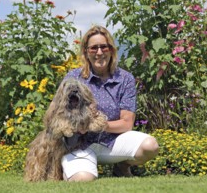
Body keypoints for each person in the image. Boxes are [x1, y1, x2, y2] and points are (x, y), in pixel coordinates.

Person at [61, 25, 159, 182]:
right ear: (86, 52)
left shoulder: (125, 78)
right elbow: (62, 115)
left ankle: (121, 167)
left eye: (104, 47)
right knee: (83, 180)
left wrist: (98, 123)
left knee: (150, 146)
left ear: (111, 50)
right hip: (80, 143)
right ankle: (69, 169)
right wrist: (82, 121)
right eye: (93, 48)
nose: (99, 52)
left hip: (112, 141)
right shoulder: (73, 77)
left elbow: (127, 124)